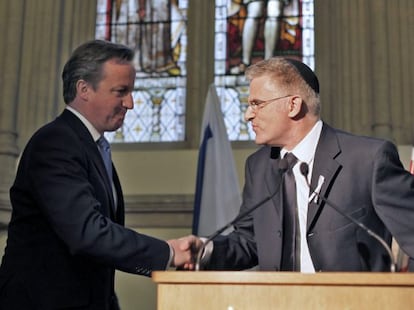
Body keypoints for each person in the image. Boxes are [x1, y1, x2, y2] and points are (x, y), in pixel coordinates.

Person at [0, 40, 200, 309]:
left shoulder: (92, 146)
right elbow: (87, 232)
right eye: (120, 91)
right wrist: (168, 252)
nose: (130, 103)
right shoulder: (55, 143)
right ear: (84, 89)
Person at [189, 57, 414, 272]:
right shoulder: (258, 166)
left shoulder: (368, 159)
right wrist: (204, 249)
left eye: (257, 104)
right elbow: (249, 242)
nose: (248, 115)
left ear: (293, 105)